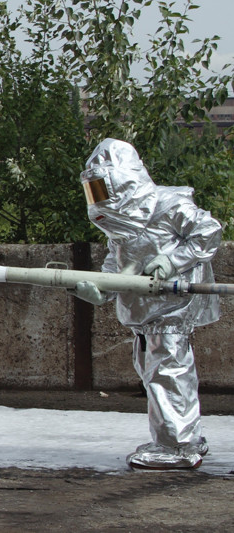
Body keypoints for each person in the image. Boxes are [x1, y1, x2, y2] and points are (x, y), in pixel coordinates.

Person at [74, 138, 222, 469]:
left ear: (123, 180)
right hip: (145, 312)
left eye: (102, 186)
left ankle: (175, 446)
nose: (98, 196)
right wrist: (103, 291)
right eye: (93, 189)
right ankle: (185, 436)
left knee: (166, 372)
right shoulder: (120, 223)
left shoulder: (169, 206)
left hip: (170, 308)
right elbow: (118, 261)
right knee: (158, 371)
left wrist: (171, 261)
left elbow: (208, 232)